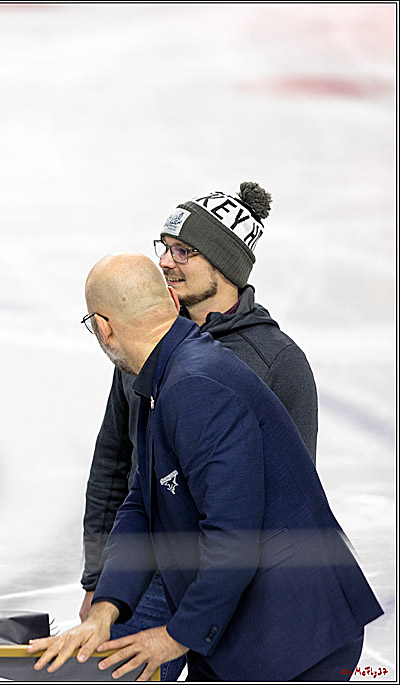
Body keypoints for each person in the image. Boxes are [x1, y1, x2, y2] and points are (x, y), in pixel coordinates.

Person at [29, 252, 382, 681]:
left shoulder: (196, 386)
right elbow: (140, 505)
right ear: (172, 301)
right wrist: (106, 609)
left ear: (104, 327)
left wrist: (175, 636)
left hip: (294, 640)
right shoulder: (163, 376)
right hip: (248, 630)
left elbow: (234, 534)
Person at [79, 182, 318, 679]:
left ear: (224, 265)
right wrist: (100, 581)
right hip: (149, 575)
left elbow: (283, 504)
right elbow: (116, 467)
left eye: (183, 251)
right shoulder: (145, 342)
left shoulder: (278, 362)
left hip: (234, 580)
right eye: (164, 247)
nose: (165, 261)